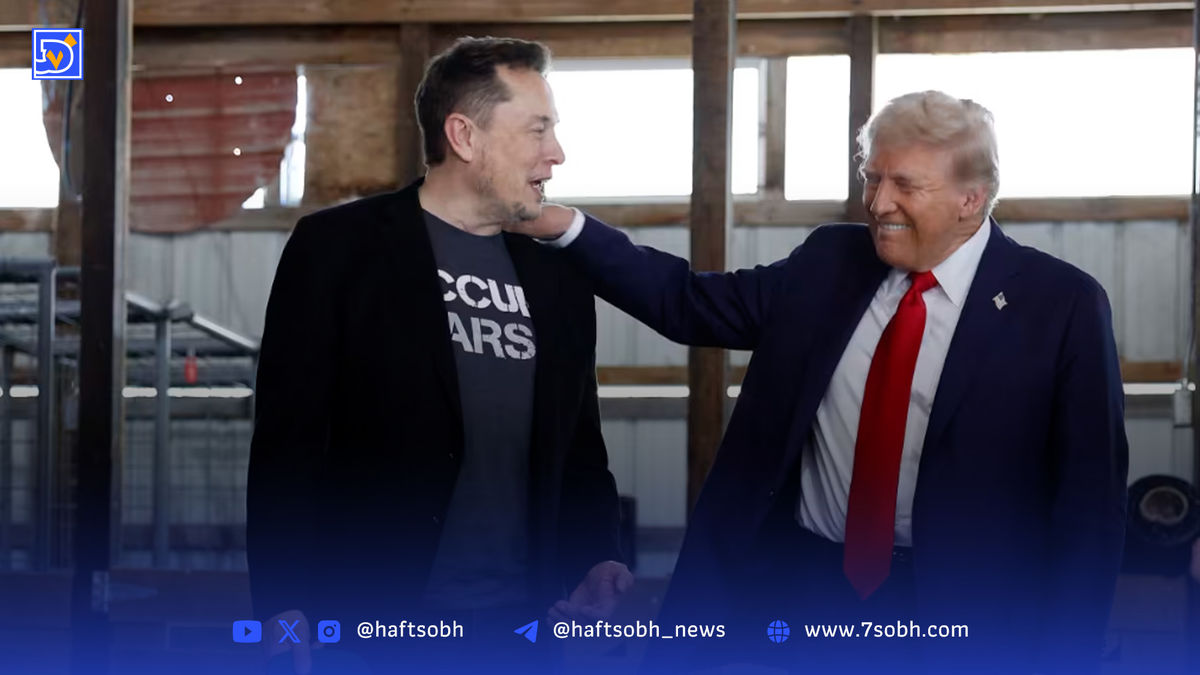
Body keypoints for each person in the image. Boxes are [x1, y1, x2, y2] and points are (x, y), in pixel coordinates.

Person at [512, 91, 1127, 674]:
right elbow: (689, 304)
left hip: (963, 614)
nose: (878, 204)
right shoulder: (831, 262)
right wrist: (567, 229)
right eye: (871, 178)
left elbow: (1089, 507)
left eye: (905, 185)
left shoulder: (1060, 305)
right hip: (803, 588)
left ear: (973, 197)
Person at [246, 36, 632, 674]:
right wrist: (282, 605)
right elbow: (288, 444)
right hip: (371, 626)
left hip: (525, 628)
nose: (556, 153)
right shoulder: (337, 250)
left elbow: (580, 449)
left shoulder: (558, 274)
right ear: (464, 136)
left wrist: (596, 559)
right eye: (538, 130)